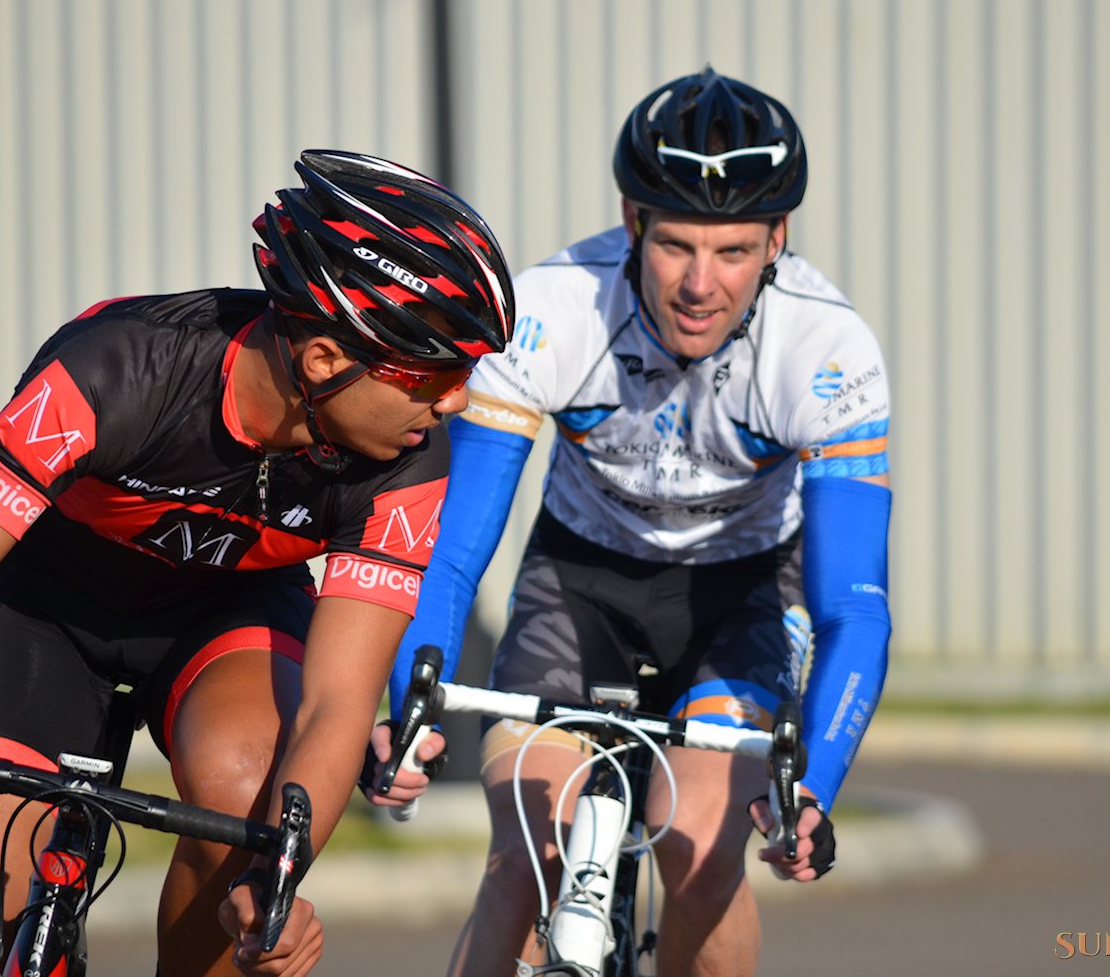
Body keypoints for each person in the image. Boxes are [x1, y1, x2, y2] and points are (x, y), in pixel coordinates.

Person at [0, 150, 513, 975]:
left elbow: (336, 703)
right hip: (48, 606)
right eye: (437, 373)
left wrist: (273, 884)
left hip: (231, 612)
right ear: (323, 359)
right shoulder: (118, 370)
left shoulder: (411, 458)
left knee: (246, 801)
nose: (457, 400)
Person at [365, 67, 892, 976]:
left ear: (778, 240)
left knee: (698, 854)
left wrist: (812, 786)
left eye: (734, 251)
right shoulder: (551, 309)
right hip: (579, 583)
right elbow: (447, 555)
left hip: (741, 600)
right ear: (633, 221)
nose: (699, 284)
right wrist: (413, 706)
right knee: (524, 862)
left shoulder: (828, 351)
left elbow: (853, 607)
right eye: (676, 245)